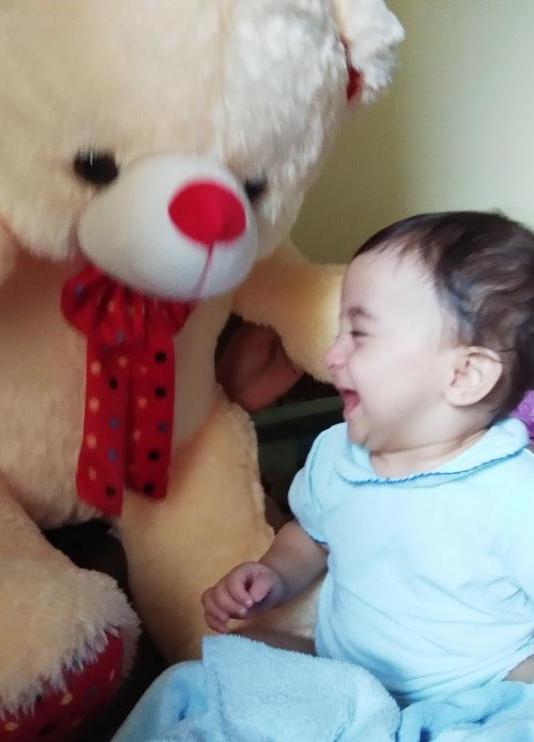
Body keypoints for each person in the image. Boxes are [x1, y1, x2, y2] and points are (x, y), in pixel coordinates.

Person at [202, 210, 534, 705]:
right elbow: (311, 536)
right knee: (226, 661)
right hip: (348, 682)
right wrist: (274, 575)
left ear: (464, 376)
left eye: (359, 333)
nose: (332, 354)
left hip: (474, 695)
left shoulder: (514, 493)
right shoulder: (336, 454)